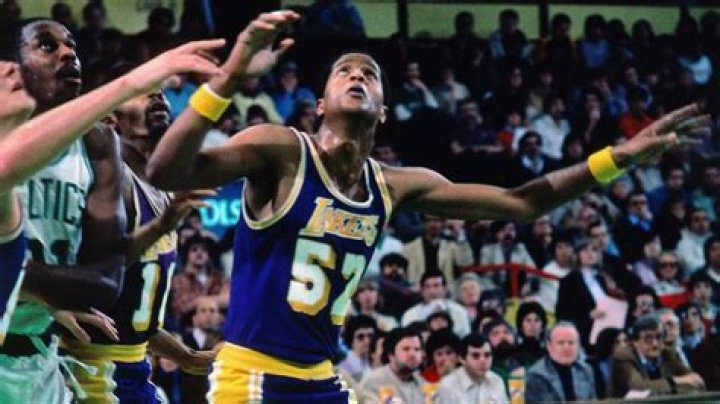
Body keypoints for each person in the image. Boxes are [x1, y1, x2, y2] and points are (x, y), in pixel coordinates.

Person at [146, 10, 710, 402]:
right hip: (254, 377)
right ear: (319, 105)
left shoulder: (395, 185)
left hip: (323, 377)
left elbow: (522, 202)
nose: (358, 74)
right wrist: (228, 78)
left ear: (384, 111)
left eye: (370, 73)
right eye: (345, 70)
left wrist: (618, 158)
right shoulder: (281, 150)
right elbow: (166, 172)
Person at [0, 20, 223, 402]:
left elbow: (105, 284)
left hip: (43, 357)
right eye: (47, 46)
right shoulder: (106, 161)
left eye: (72, 46)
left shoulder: (101, 148)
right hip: (91, 363)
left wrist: (27, 288)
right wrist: (47, 294)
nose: (68, 53)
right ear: (9, 69)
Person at [63, 91, 217, 403]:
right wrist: (161, 226)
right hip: (92, 369)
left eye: (160, 89)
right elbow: (100, 274)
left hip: (134, 366)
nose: (157, 94)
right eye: (141, 93)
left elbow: (133, 318)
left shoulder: (162, 191)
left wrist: (187, 356)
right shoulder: (110, 182)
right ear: (111, 121)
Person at [608, 314, 706, 398]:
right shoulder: (623, 357)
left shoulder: (669, 354)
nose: (655, 344)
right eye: (648, 338)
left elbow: (696, 381)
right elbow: (638, 387)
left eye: (659, 337)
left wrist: (679, 386)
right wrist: (674, 381)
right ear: (635, 342)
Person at [525, 322, 596, 402]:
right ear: (549, 346)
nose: (566, 348)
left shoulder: (586, 370)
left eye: (571, 343)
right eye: (561, 343)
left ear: (578, 345)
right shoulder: (537, 375)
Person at [435, 333, 508, 404]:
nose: (482, 361)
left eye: (487, 355)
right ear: (462, 359)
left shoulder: (496, 381)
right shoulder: (448, 386)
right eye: (475, 356)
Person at [360, 327, 426, 403]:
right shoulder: (373, 382)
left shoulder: (423, 382)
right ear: (391, 354)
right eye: (406, 349)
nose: (413, 354)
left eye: (417, 349)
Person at [401, 271, 471, 337]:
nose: (432, 291)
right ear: (421, 290)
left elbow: (465, 337)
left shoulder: (459, 311)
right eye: (427, 287)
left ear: (445, 289)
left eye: (436, 286)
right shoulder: (411, 315)